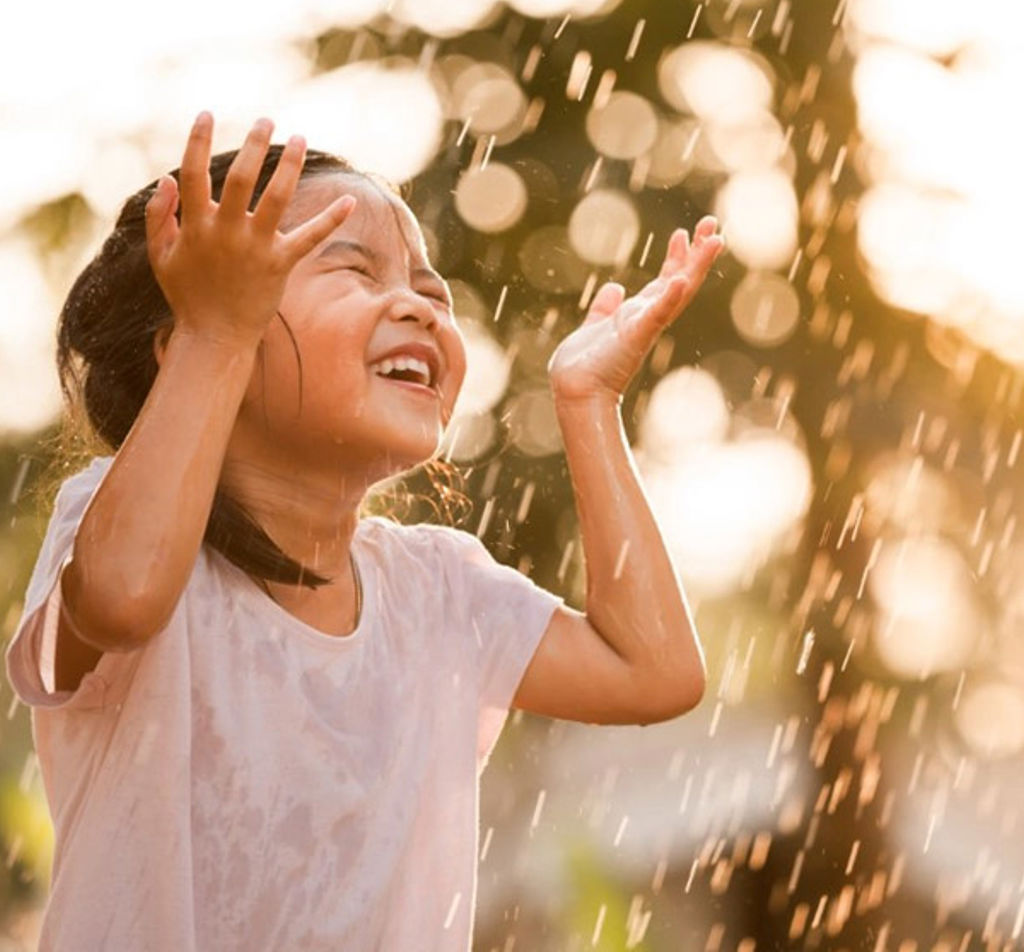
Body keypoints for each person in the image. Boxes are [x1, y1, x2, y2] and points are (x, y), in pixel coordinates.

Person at [4, 111, 724, 950]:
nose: (417, 308)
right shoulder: (110, 526)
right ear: (191, 339)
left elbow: (655, 672)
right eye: (354, 269)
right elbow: (123, 600)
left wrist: (589, 404)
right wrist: (216, 331)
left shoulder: (438, 593)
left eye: (430, 290)